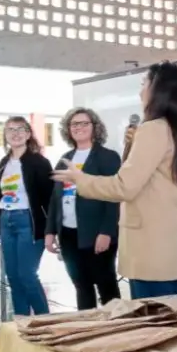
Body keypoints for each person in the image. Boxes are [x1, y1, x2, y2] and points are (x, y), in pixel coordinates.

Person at [56, 62, 177, 299]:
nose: (140, 91)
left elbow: (124, 186)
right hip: (176, 250)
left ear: (157, 89)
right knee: (171, 323)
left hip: (152, 253)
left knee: (152, 326)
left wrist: (81, 179)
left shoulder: (154, 129)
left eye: (143, 83)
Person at [44, 108, 122, 310]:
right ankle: (87, 328)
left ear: (95, 127)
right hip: (69, 233)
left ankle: (116, 329)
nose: (79, 128)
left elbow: (114, 197)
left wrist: (106, 231)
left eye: (84, 123)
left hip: (97, 232)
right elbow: (55, 198)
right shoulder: (65, 158)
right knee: (81, 285)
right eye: (74, 124)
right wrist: (50, 231)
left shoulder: (108, 157)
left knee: (106, 284)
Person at [0, 116, 53, 316]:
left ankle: (45, 324)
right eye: (10, 129)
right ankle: (22, 325)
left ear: (28, 134)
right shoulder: (4, 162)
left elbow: (50, 199)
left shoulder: (39, 162)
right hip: (6, 219)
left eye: (20, 129)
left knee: (27, 275)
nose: (15, 133)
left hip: (28, 221)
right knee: (13, 276)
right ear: (5, 135)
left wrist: (52, 231)